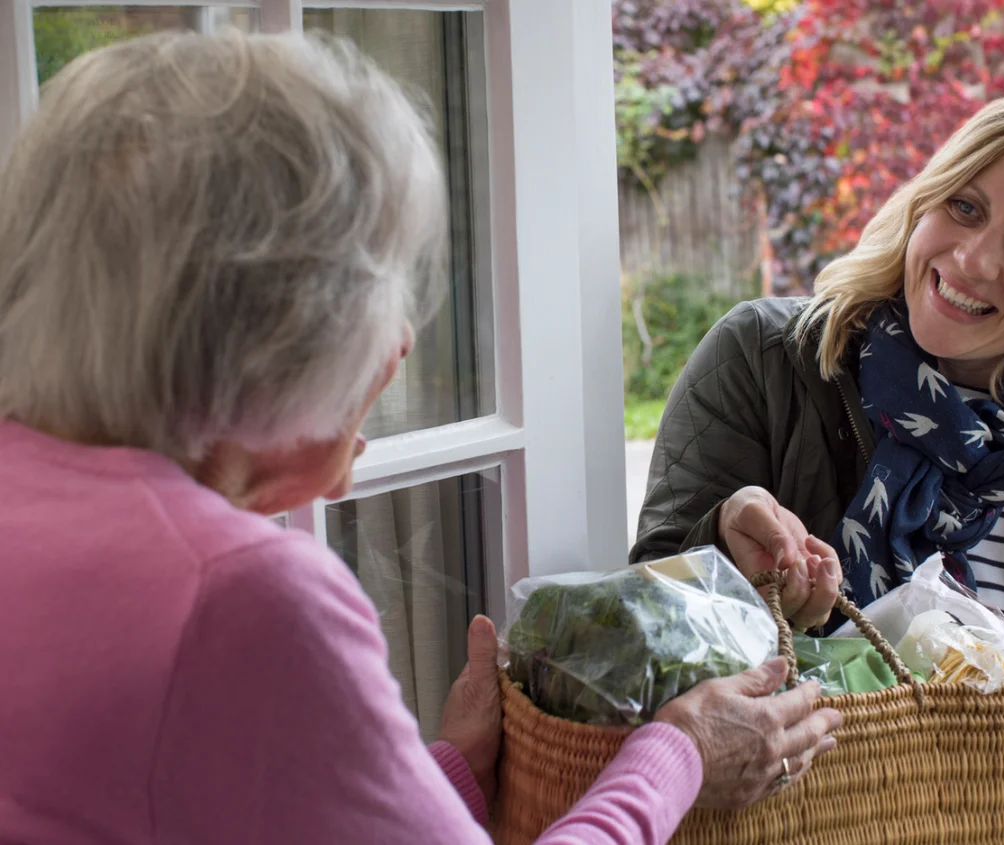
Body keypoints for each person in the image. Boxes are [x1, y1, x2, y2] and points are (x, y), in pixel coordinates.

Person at [0, 31, 842, 845]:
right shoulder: (244, 594)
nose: (403, 341)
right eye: (385, 281)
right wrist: (681, 754)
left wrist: (443, 770)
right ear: (276, 324)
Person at [632, 92, 1004, 844]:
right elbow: (642, 629)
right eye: (964, 207)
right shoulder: (762, 362)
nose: (971, 259)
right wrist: (722, 551)